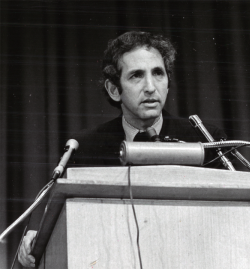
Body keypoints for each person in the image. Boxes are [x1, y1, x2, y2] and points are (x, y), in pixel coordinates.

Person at [18, 31, 226, 267]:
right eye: (136, 76)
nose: (150, 87)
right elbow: (60, 220)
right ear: (114, 89)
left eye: (158, 73)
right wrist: (37, 236)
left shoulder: (204, 139)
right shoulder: (85, 147)